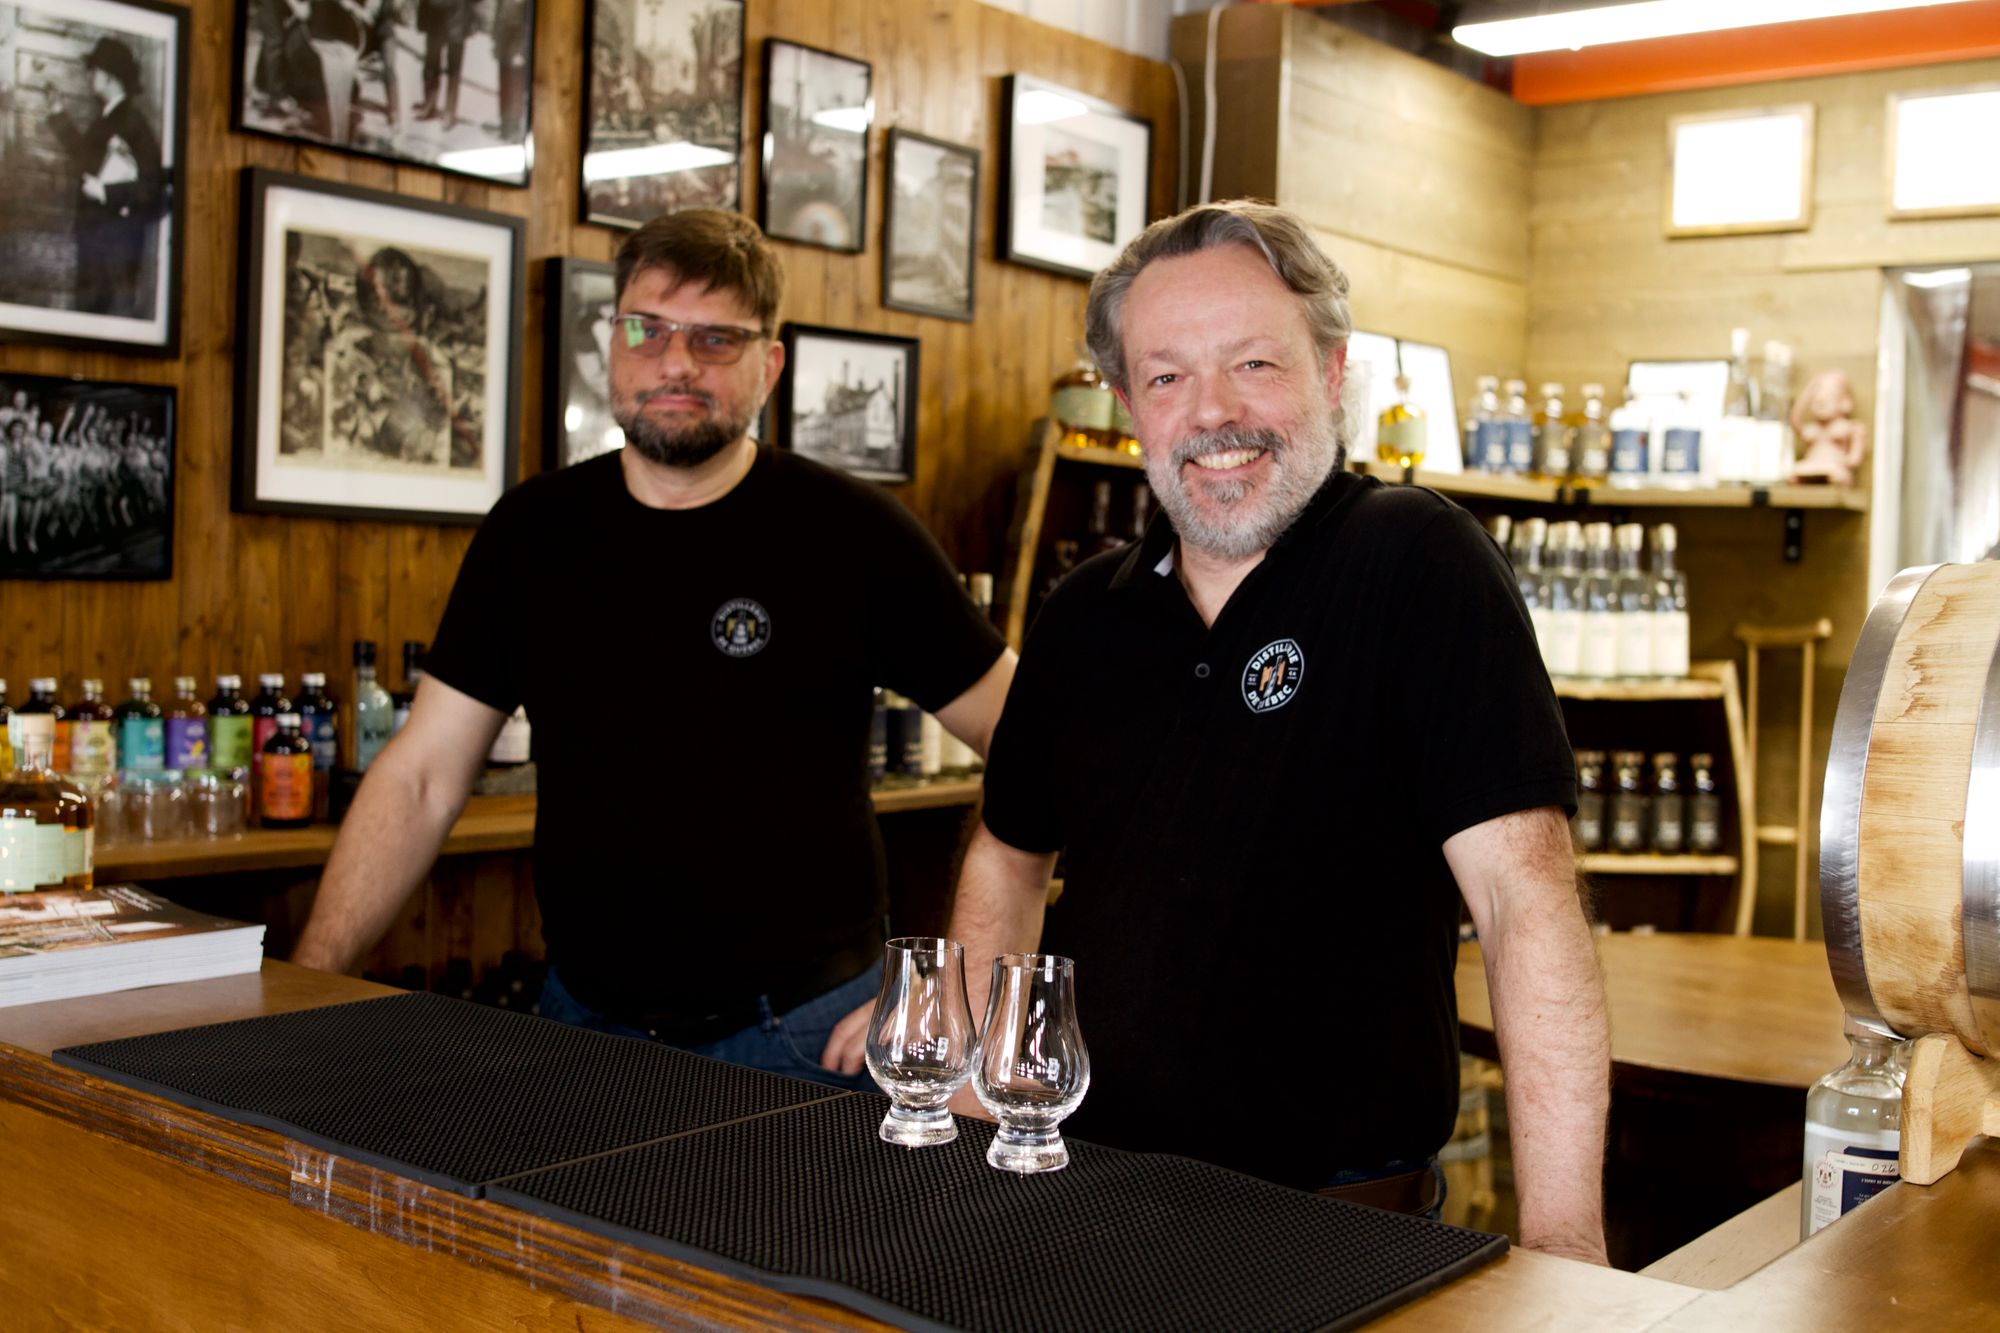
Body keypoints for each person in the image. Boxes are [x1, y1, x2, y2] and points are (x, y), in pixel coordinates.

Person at [873, 200, 1609, 1261]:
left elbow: (1521, 894)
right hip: (1087, 1186)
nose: (1212, 412)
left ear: (1331, 369)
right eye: (1166, 377)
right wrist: (987, 1103)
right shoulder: (1087, 613)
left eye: (1253, 364)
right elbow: (1006, 851)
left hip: (1336, 1216)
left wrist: (1562, 1247)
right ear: (1128, 405)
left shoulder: (1414, 561)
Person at [292, 209, 1014, 1092]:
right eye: (649, 329)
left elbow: (1037, 751)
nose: (676, 362)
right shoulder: (534, 533)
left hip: (806, 1038)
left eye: (716, 337)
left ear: (769, 365)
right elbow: (419, 778)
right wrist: (305, 984)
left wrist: (958, 982)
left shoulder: (854, 534)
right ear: (610, 344)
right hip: (580, 1027)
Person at [46, 37, 165, 320]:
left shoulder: (134, 123)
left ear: (111, 75)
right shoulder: (108, 117)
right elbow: (86, 159)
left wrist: (106, 192)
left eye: (94, 70)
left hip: (114, 246)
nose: (90, 76)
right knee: (88, 313)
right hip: (95, 238)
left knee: (100, 317)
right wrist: (57, 113)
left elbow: (153, 187)